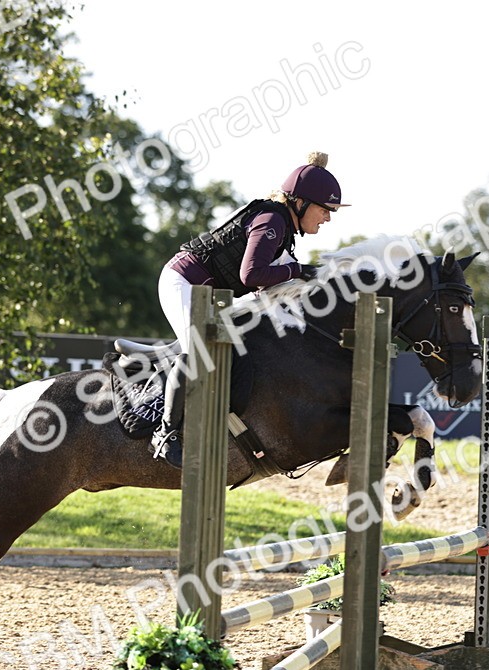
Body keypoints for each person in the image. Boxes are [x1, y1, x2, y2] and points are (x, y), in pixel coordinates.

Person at [150, 151, 351, 467]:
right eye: (325, 210)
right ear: (300, 202)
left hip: (212, 294)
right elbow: (252, 275)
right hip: (183, 282)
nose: (327, 217)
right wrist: (297, 271)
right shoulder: (272, 221)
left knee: (243, 359)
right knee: (199, 350)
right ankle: (165, 434)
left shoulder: (283, 229)